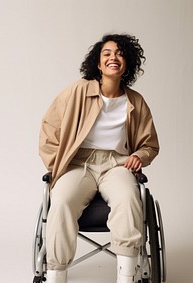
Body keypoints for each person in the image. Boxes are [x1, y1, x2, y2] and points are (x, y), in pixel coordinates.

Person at [39, 33, 159, 283]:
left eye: (120, 53)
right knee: (60, 201)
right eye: (107, 54)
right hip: (78, 163)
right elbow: (50, 127)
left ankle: (126, 276)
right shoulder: (78, 91)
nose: (114, 58)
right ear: (98, 62)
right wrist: (57, 163)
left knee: (128, 198)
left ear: (128, 63)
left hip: (117, 164)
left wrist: (138, 155)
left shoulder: (135, 101)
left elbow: (150, 144)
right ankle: (56, 275)